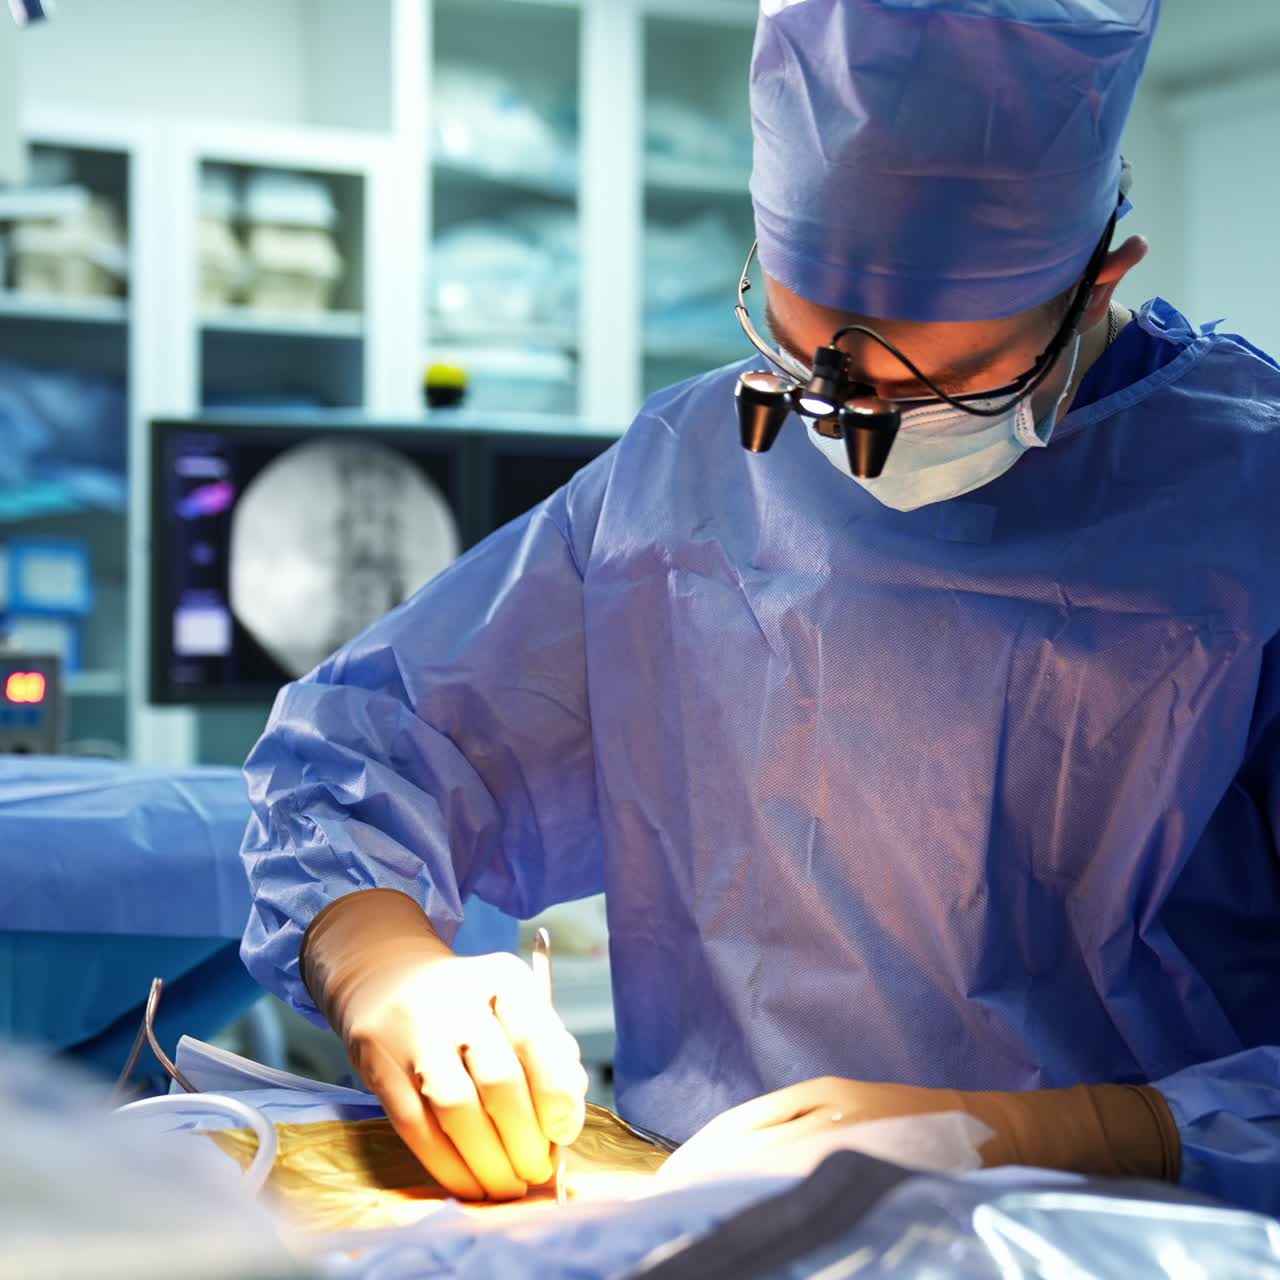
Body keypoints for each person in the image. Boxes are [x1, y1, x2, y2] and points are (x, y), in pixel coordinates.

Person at [241, 0, 1280, 1211]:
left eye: (931, 384)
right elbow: (369, 746)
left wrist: (1067, 1131)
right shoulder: (683, 475)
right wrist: (389, 965)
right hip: (713, 1216)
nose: (856, 433)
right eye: (809, 372)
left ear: (1099, 274)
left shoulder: (1244, 511)